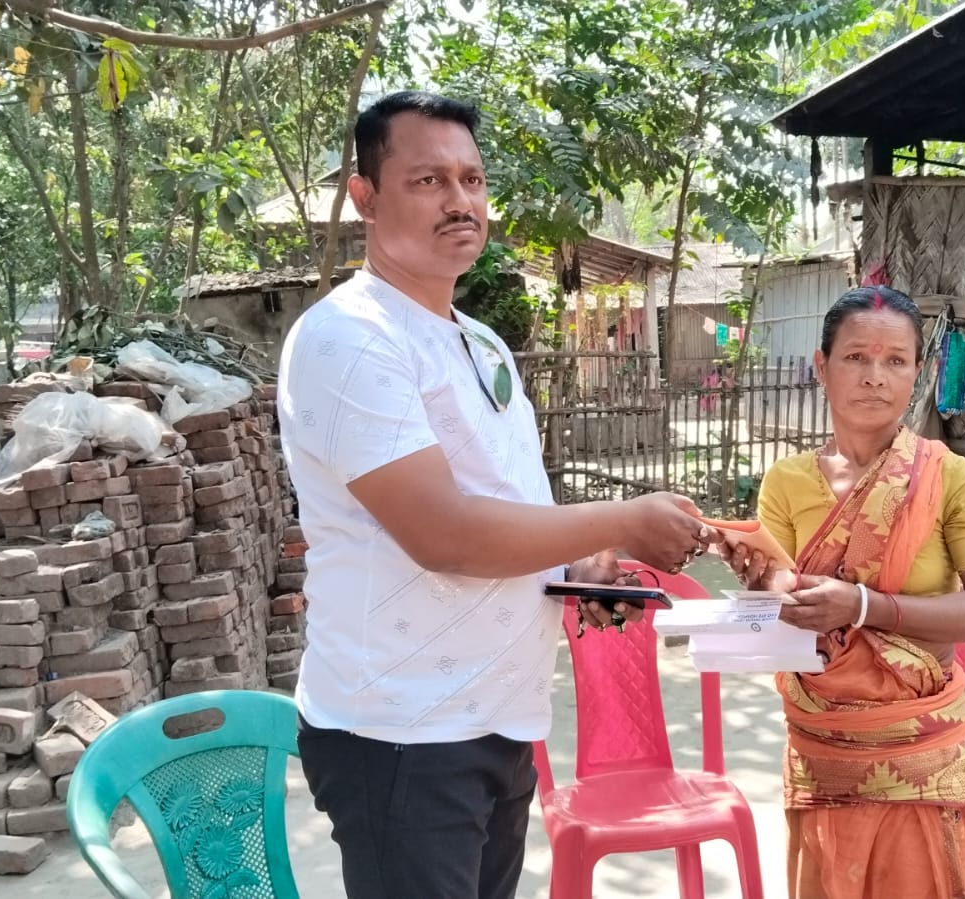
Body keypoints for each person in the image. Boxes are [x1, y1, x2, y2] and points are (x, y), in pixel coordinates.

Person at [276, 90, 716, 899]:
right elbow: (444, 534)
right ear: (364, 195)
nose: (459, 202)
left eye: (472, 180)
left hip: (496, 715)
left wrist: (587, 561)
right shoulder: (349, 337)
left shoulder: (478, 344)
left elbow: (515, 511)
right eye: (427, 181)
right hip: (400, 730)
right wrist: (625, 514)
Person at [719, 286, 965, 898]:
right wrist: (761, 588)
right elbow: (781, 598)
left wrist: (862, 607)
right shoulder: (787, 481)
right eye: (856, 358)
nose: (875, 377)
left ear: (917, 373)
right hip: (826, 749)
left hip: (924, 752)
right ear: (822, 367)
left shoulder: (946, 474)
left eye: (895, 361)